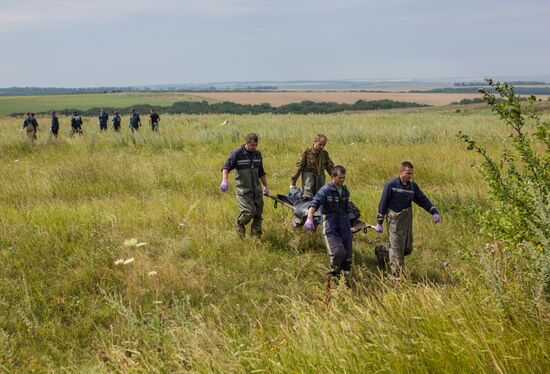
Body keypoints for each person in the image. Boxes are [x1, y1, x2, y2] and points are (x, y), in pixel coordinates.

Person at [375, 161, 441, 280]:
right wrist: (379, 221)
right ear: (401, 172)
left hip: (406, 220)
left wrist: (433, 211)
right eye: (408, 173)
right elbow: (383, 203)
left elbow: (422, 199)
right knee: (397, 249)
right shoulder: (391, 185)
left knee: (407, 248)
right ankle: (397, 275)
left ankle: (382, 251)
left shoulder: (412, 187)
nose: (410, 176)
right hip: (393, 220)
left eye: (411, 173)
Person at [305, 165, 352, 280]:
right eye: (339, 178)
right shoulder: (325, 190)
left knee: (347, 256)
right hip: (330, 224)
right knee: (337, 253)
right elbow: (314, 204)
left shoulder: (345, 191)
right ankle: (331, 275)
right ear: (332, 176)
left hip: (344, 224)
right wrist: (309, 218)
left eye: (343, 178)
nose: (342, 180)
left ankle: (344, 279)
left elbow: (346, 208)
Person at [220, 133, 269, 238]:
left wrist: (265, 186)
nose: (254, 147)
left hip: (257, 190)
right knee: (249, 211)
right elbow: (226, 167)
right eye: (252, 145)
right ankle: (239, 223)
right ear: (246, 143)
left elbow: (261, 172)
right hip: (243, 191)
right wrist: (224, 180)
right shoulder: (237, 153)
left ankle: (255, 238)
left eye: (256, 145)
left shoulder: (257, 154)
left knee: (258, 213)